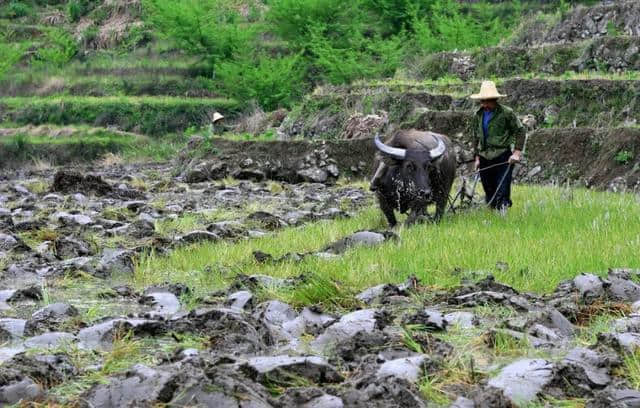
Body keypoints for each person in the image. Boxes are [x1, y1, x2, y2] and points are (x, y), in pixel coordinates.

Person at [470, 81, 525, 213]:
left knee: (502, 187)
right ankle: (492, 213)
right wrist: (477, 157)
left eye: (487, 101)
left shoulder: (507, 113)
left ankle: (503, 213)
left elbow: (520, 131)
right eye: (482, 101)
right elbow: (475, 137)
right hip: (484, 156)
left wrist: (516, 153)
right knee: (488, 188)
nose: (484, 104)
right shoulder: (478, 115)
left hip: (502, 156)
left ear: (495, 99)